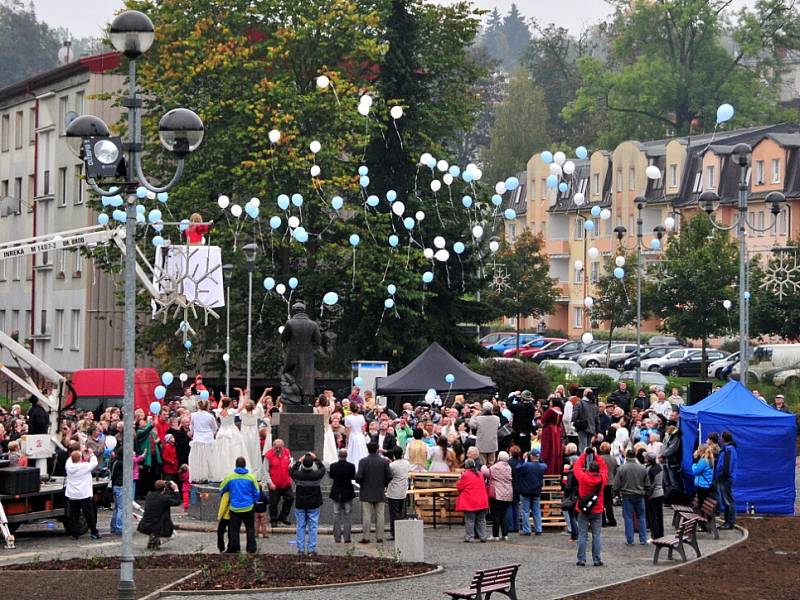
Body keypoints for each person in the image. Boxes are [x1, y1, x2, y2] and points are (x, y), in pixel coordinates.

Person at [573, 447, 608, 567]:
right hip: (597, 509)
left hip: (584, 509)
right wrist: (596, 454)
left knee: (583, 535)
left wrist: (584, 454)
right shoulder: (602, 478)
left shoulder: (583, 477)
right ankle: (597, 559)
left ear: (588, 468)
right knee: (596, 535)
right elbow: (604, 467)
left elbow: (577, 466)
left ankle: (581, 559)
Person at [220, 456, 260, 554]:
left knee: (234, 530)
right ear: (245, 465)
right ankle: (251, 548)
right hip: (248, 507)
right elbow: (257, 492)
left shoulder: (230, 477)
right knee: (250, 529)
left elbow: (222, 488)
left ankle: (235, 548)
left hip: (235, 508)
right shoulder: (251, 477)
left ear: (236, 465)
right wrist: (254, 500)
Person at [613, 448, 651, 545]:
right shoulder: (643, 468)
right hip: (640, 495)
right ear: (635, 456)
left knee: (628, 517)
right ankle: (643, 539)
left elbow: (616, 485)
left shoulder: (621, 468)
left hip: (627, 495)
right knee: (641, 517)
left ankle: (630, 540)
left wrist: (616, 493)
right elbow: (647, 484)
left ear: (626, 456)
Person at [291, 452, 326, 556]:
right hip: (314, 504)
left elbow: (292, 471)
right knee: (313, 527)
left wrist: (298, 461)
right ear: (312, 465)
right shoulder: (317, 475)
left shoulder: (298, 475)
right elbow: (322, 468)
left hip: (300, 503)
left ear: (303, 464)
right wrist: (316, 459)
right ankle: (312, 549)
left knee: (300, 526)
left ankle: (301, 550)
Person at [357, 441, 392, 544]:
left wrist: (361, 483)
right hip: (379, 490)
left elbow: (359, 476)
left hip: (366, 491)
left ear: (368, 450)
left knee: (367, 516)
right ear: (377, 449)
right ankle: (379, 537)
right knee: (380, 515)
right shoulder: (384, 462)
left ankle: (366, 537)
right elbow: (389, 476)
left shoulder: (363, 461)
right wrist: (384, 484)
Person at [65, 449, 101, 540]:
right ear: (80, 458)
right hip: (84, 494)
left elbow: (69, 459)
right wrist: (91, 453)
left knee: (74, 515)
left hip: (72, 494)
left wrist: (76, 453)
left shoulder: (68, 467)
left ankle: (75, 534)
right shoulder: (84, 466)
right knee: (89, 514)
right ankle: (94, 532)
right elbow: (94, 463)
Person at [213, 397, 250, 481]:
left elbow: (219, 406)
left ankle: (222, 472)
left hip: (222, 432)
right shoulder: (232, 411)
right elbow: (242, 407)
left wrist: (221, 398)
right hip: (231, 431)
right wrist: (246, 397)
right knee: (234, 451)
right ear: (230, 404)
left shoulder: (219, 411)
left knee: (221, 452)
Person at [137, 480, 181, 550]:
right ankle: (154, 540)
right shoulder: (164, 499)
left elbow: (164, 496)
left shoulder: (149, 495)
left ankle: (153, 540)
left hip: (145, 525)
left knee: (156, 522)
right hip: (158, 526)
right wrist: (176, 489)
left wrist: (166, 488)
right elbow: (177, 501)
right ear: (164, 488)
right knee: (171, 534)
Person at [456, 458, 489, 543]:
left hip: (470, 501)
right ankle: (483, 536)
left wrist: (459, 479)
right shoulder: (480, 474)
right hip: (482, 500)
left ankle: (470, 537)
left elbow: (460, 487)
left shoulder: (465, 475)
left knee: (470, 520)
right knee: (481, 520)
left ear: (466, 466)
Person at [263, 439, 294, 527]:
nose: (278, 449)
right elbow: (265, 470)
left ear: (283, 447)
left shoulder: (287, 452)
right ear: (273, 446)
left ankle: (283, 517)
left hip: (286, 482)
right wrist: (269, 482)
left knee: (290, 498)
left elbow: (289, 463)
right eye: (276, 447)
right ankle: (273, 519)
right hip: (274, 484)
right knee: (273, 503)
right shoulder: (268, 455)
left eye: (280, 447)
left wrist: (290, 469)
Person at [516, 449, 547, 536]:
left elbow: (517, 468)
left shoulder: (526, 465)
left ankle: (527, 530)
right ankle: (538, 529)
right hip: (536, 491)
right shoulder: (542, 466)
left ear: (531, 456)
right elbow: (544, 465)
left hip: (525, 491)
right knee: (536, 511)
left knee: (525, 511)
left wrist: (524, 459)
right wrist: (539, 459)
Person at [328, 448, 356, 543]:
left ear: (338, 455)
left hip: (336, 493)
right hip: (348, 492)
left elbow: (331, 476)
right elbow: (353, 477)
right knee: (347, 516)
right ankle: (347, 537)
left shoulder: (333, 466)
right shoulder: (351, 466)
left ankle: (337, 537)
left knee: (336, 515)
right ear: (346, 456)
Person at [189, 399, 218, 483]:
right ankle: (208, 476)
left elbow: (192, 427)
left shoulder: (193, 415)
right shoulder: (210, 416)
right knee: (208, 459)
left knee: (198, 459)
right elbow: (215, 428)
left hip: (197, 440)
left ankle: (198, 476)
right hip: (208, 440)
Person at [487, 450, 513, 541]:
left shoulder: (494, 467)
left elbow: (487, 473)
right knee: (504, 515)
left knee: (496, 515)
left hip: (497, 493)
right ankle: (505, 534)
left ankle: (495, 535)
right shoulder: (509, 467)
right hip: (508, 493)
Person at [715, 431, 738, 530]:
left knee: (728, 500)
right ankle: (727, 521)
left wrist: (723, 475)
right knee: (727, 500)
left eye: (721, 437)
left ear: (724, 439)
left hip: (726, 478)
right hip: (725, 478)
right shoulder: (726, 449)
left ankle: (730, 522)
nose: (720, 439)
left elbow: (727, 466)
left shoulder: (728, 450)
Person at [387, 446, 410, 540]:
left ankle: (394, 533)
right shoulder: (407, 463)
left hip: (393, 491)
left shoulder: (392, 465)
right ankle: (402, 532)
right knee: (402, 513)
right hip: (403, 490)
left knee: (394, 514)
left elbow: (389, 476)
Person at [470, 402, 500, 467]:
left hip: (481, 446)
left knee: (483, 465)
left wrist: (474, 415)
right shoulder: (497, 418)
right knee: (491, 465)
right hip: (492, 445)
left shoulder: (478, 419)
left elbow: (471, 425)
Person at [539, 397, 563, 476]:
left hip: (549, 432)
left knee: (548, 450)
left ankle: (548, 472)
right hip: (557, 431)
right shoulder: (560, 411)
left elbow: (542, 420)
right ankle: (556, 471)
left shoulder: (551, 410)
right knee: (556, 451)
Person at [239, 400, 262, 477]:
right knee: (254, 452)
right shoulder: (255, 413)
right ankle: (255, 471)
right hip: (253, 437)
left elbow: (241, 405)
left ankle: (244, 468)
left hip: (245, 435)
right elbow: (259, 404)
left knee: (245, 451)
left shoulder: (242, 413)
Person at [644, 452, 664, 540]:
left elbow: (651, 485)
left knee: (653, 516)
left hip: (653, 495)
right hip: (660, 493)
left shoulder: (649, 470)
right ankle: (660, 533)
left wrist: (648, 495)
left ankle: (655, 535)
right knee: (659, 515)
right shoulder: (659, 467)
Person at [598, 442, 617, 527]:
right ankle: (612, 519)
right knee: (608, 502)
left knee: (601, 501)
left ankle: (603, 520)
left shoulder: (599, 459)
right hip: (611, 482)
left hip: (602, 482)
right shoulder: (614, 459)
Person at [315, 396, 338, 465]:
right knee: (329, 445)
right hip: (328, 429)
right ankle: (331, 459)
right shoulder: (329, 409)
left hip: (320, 429)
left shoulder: (316, 409)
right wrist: (331, 399)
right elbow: (333, 405)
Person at [692, 444, 715, 508]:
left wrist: (695, 460)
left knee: (701, 505)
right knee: (702, 505)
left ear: (700, 451)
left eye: (698, 450)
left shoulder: (703, 461)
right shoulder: (710, 459)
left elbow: (695, 471)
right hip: (706, 485)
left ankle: (701, 517)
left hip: (702, 485)